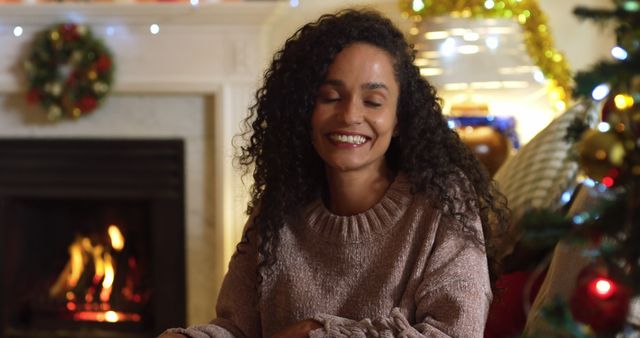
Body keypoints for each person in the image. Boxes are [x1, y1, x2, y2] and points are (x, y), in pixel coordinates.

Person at [160, 8, 508, 338]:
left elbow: (454, 333)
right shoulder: (278, 208)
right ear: (304, 109)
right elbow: (236, 329)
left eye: (372, 102)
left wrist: (316, 332)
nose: (349, 115)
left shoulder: (442, 203)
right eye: (330, 97)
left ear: (399, 118)